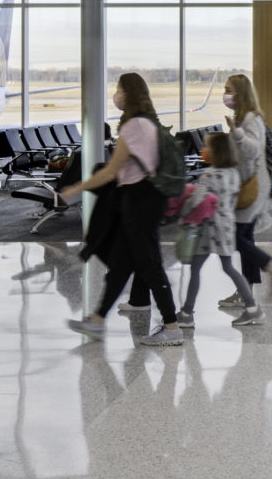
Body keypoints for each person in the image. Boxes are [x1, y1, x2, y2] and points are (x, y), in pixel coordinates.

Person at [62, 72, 183, 346]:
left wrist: (76, 188)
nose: (115, 95)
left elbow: (111, 171)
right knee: (121, 264)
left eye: (118, 89)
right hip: (148, 198)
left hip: (140, 200)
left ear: (128, 94)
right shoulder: (149, 123)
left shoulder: (133, 127)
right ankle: (96, 321)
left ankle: (172, 327)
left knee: (150, 265)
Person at [175, 133, 258, 329]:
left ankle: (187, 313)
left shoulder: (209, 175)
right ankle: (252, 308)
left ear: (216, 152)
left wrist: (184, 213)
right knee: (228, 267)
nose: (204, 151)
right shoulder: (233, 173)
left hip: (209, 228)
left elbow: (196, 199)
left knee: (196, 269)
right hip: (228, 225)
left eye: (207, 147)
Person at [215, 73, 272, 320]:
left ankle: (269, 268)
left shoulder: (250, 119)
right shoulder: (244, 117)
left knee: (238, 238)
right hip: (246, 185)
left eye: (229, 89)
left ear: (240, 93)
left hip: (251, 188)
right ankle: (245, 292)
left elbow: (251, 150)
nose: (225, 93)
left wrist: (235, 132)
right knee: (245, 238)